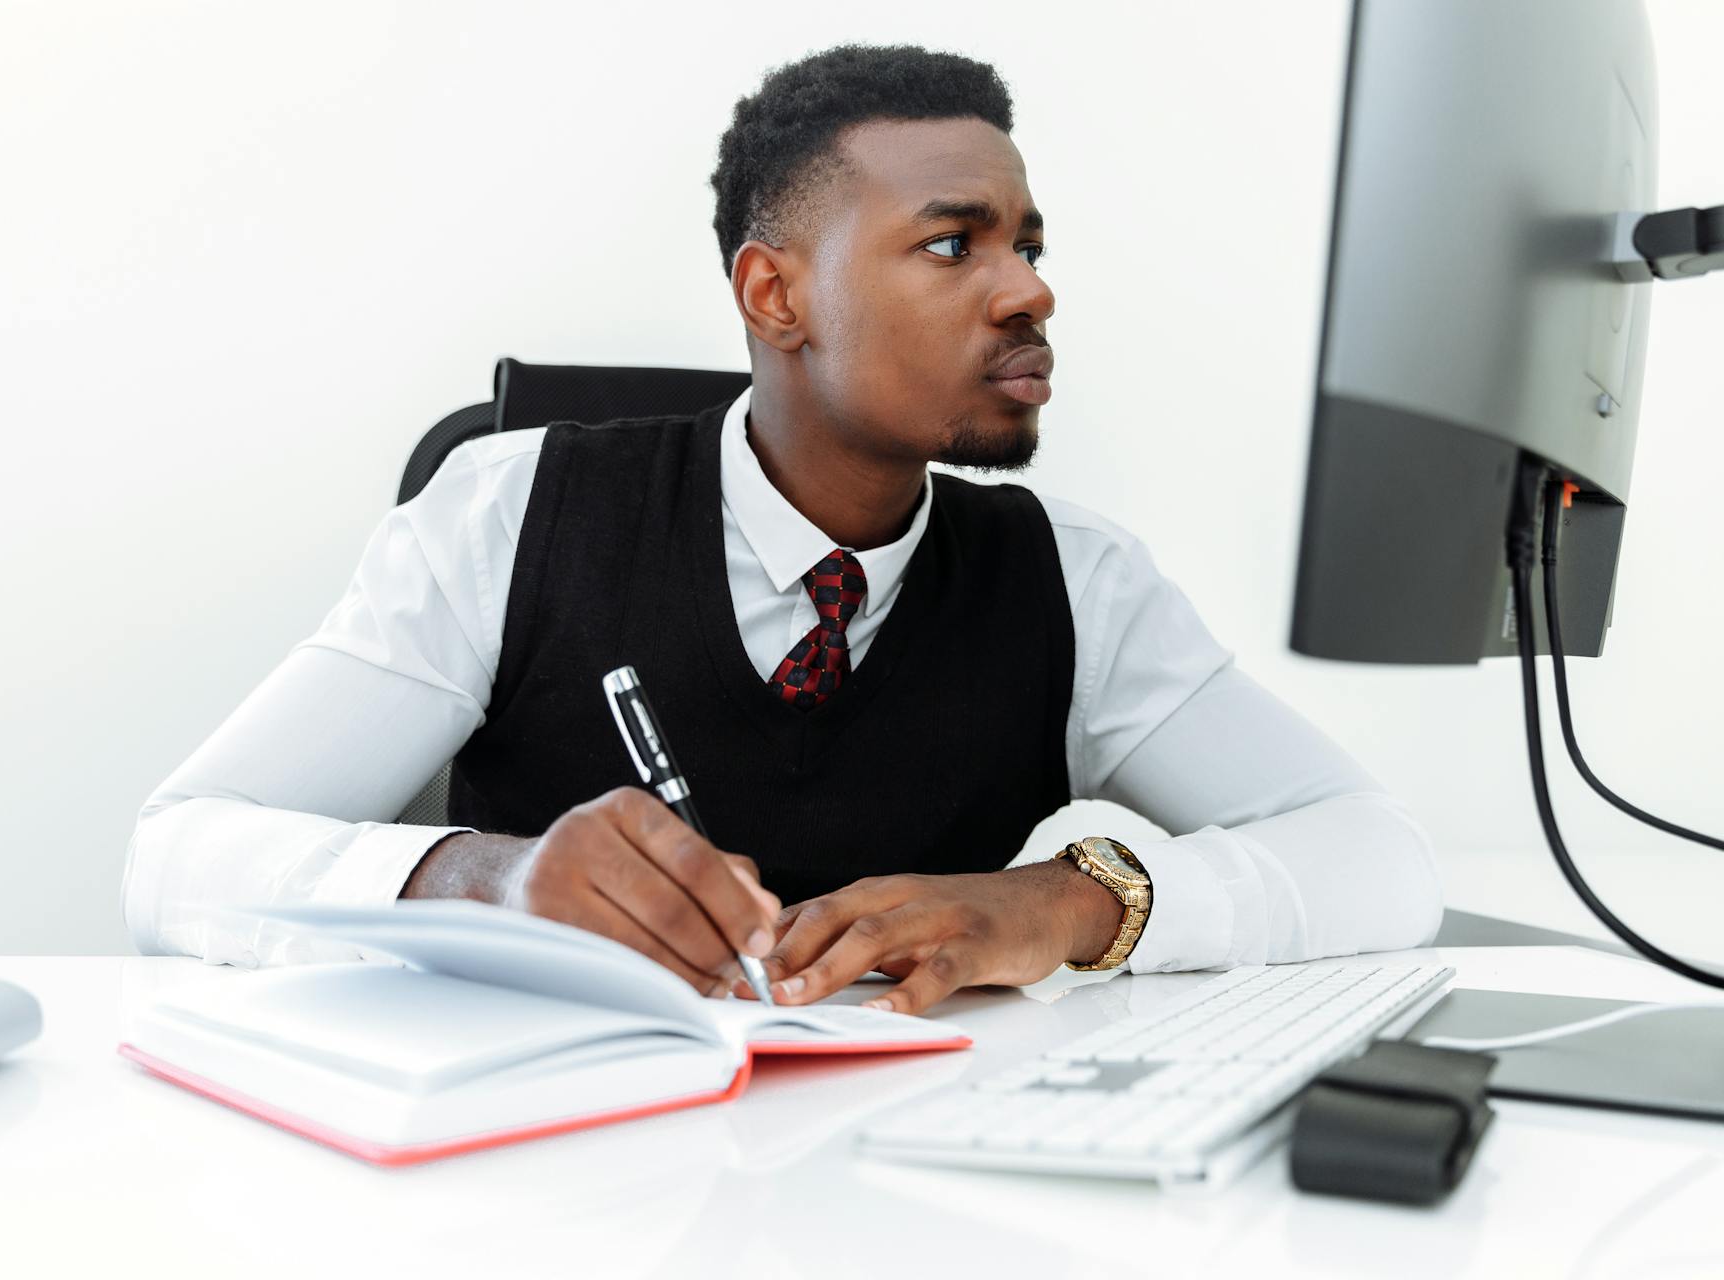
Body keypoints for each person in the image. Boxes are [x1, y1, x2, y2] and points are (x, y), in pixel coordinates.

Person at [122, 44, 1442, 1015]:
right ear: (776, 293)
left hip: (934, 1183)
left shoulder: (1074, 577)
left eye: (1030, 245)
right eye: (951, 246)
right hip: (555, 1182)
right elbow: (175, 854)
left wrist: (1064, 904)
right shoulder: (508, 509)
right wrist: (488, 883)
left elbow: (1377, 856)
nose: (1030, 289)